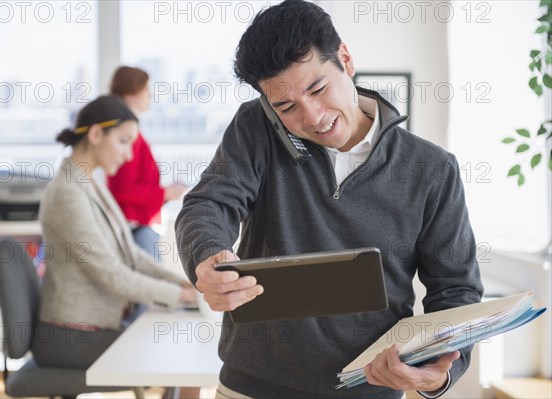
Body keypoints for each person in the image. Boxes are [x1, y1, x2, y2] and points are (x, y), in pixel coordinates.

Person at [174, 1, 484, 398]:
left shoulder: (431, 168)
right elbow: (209, 204)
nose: (314, 117)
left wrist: (440, 373)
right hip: (251, 388)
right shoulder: (256, 128)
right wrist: (207, 254)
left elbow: (455, 290)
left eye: (318, 89)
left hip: (370, 391)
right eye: (286, 107)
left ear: (345, 59)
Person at [33, 95, 197, 371]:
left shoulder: (90, 185)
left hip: (95, 327)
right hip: (72, 335)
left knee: (181, 341)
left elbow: (132, 255)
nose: (129, 155)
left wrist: (183, 285)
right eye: (123, 142)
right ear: (96, 134)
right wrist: (182, 296)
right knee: (179, 349)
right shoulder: (67, 192)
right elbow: (112, 274)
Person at [107, 66, 188, 262]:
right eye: (145, 90)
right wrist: (166, 193)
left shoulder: (128, 131)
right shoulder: (127, 135)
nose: (150, 95)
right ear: (131, 93)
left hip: (139, 227)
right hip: (136, 229)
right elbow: (124, 189)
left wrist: (165, 194)